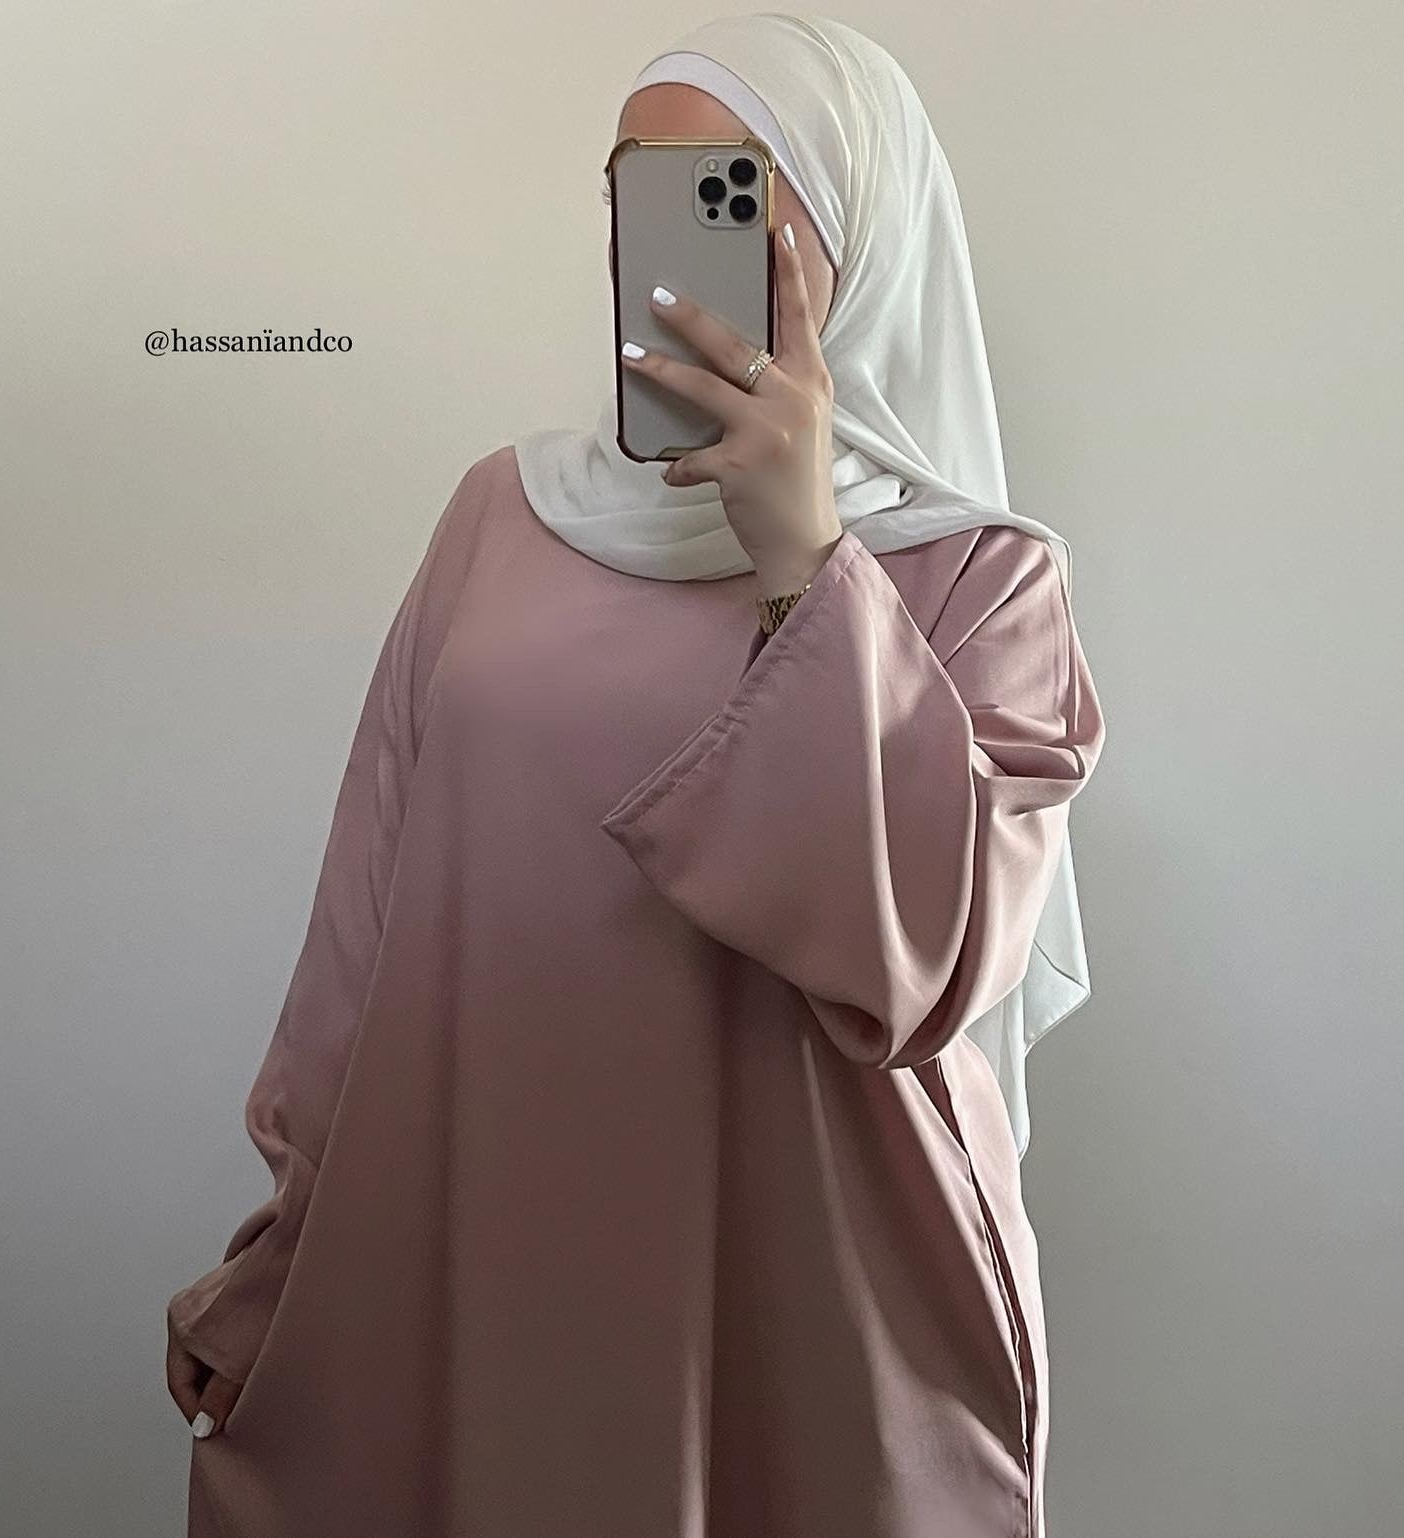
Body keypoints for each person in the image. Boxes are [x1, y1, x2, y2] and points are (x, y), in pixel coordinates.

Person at [164, 13, 1106, 1537]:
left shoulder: (980, 580)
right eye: (635, 190)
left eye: (725, 194)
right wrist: (278, 1251)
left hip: (818, 1292)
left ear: (855, 232)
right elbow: (367, 930)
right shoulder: (500, 516)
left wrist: (803, 552)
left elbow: (930, 959)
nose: (661, 251)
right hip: (496, 1248)